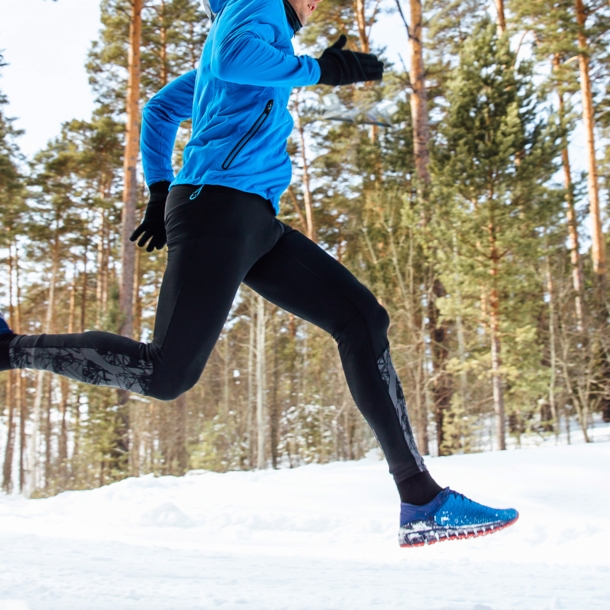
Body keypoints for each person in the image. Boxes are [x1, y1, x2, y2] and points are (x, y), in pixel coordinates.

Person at [0, 0, 517, 546]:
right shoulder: (257, 5)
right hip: (218, 208)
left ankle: (421, 500)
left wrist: (158, 189)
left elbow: (160, 108)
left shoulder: (263, 31)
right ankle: (9, 349)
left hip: (249, 216)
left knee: (362, 320)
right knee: (166, 374)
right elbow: (232, 57)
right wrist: (320, 70)